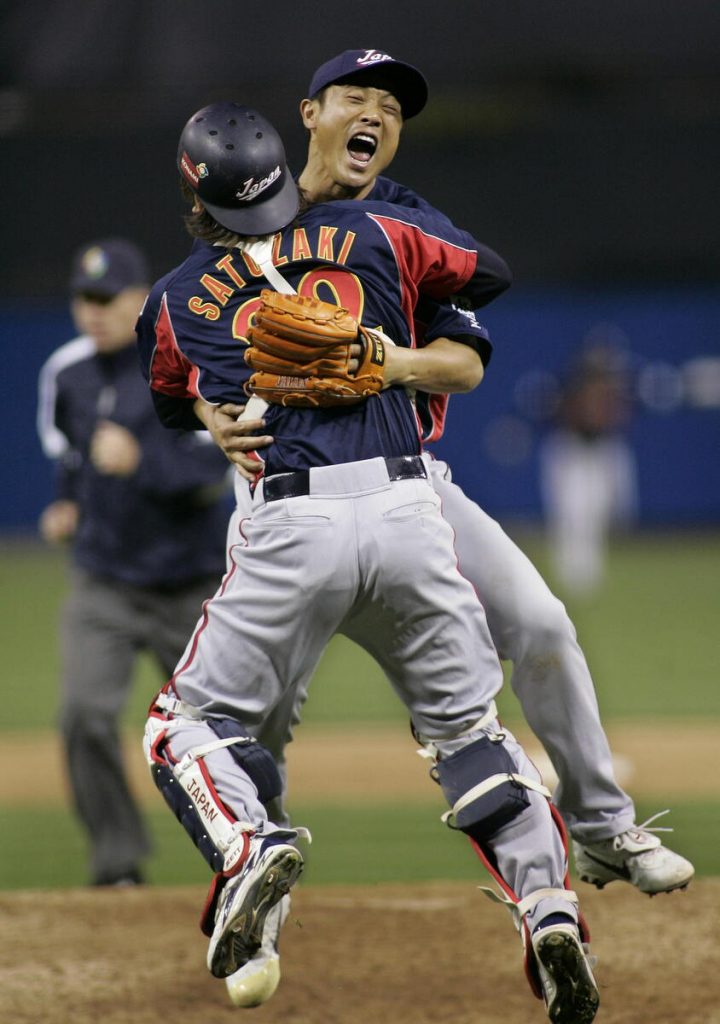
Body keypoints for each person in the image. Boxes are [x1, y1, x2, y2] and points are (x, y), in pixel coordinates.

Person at [205, 49, 692, 1009]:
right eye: (356, 98)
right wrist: (213, 415)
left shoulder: (410, 228)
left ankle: (601, 823)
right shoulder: (245, 216)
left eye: (390, 106)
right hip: (283, 502)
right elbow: (196, 363)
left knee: (544, 623)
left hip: (408, 491)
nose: (375, 115)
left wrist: (386, 361)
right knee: (258, 727)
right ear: (310, 113)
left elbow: (463, 365)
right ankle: (253, 905)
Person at [136, 101, 601, 1024]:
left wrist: (210, 415)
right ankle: (549, 909)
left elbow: (167, 401)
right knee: (472, 735)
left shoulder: (175, 299)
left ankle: (249, 849)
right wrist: (399, 308)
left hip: (290, 524)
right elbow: (488, 275)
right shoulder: (381, 234)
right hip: (407, 508)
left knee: (184, 724)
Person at [37, 238, 232, 887]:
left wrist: (142, 464)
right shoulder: (68, 373)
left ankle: (246, 855)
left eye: (107, 298)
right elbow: (72, 454)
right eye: (83, 299)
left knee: (226, 730)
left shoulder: (186, 361)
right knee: (85, 716)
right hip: (106, 581)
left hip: (191, 584)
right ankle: (118, 865)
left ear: (139, 299)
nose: (93, 311)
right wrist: (68, 504)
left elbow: (215, 469)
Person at [539, 337, 638, 595]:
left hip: (600, 451)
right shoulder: (574, 392)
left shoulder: (614, 393)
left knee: (598, 511)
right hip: (573, 451)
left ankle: (589, 572)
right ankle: (570, 572)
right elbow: (570, 420)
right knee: (571, 513)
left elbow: (616, 421)